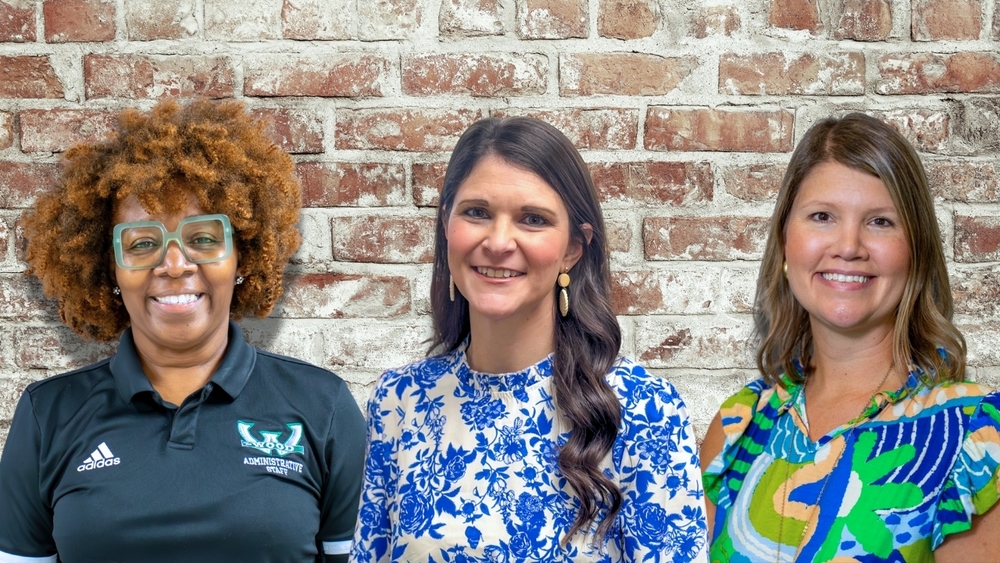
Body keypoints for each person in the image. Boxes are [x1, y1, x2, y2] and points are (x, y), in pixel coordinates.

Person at [0, 99, 367, 563]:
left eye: (203, 239)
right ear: (108, 268)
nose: (174, 265)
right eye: (144, 243)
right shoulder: (46, 416)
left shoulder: (323, 408)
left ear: (243, 258)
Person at [349, 117, 708, 562]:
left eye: (533, 219)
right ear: (446, 224)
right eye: (477, 212)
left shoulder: (644, 411)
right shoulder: (399, 401)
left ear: (574, 248)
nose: (499, 242)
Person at [700, 113, 1000, 562]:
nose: (848, 245)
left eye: (880, 222)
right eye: (822, 216)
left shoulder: (974, 434)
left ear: (916, 252)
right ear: (786, 242)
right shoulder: (738, 426)